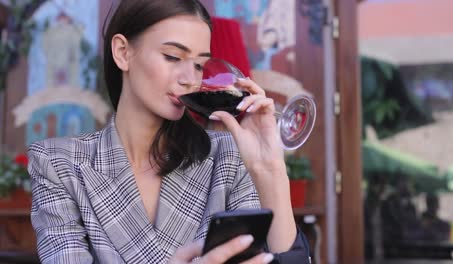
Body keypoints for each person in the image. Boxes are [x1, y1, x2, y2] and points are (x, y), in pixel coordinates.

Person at [27, 0, 311, 263]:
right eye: (173, 56)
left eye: (199, 65)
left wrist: (269, 170)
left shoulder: (228, 157)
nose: (190, 79)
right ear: (123, 53)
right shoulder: (58, 163)